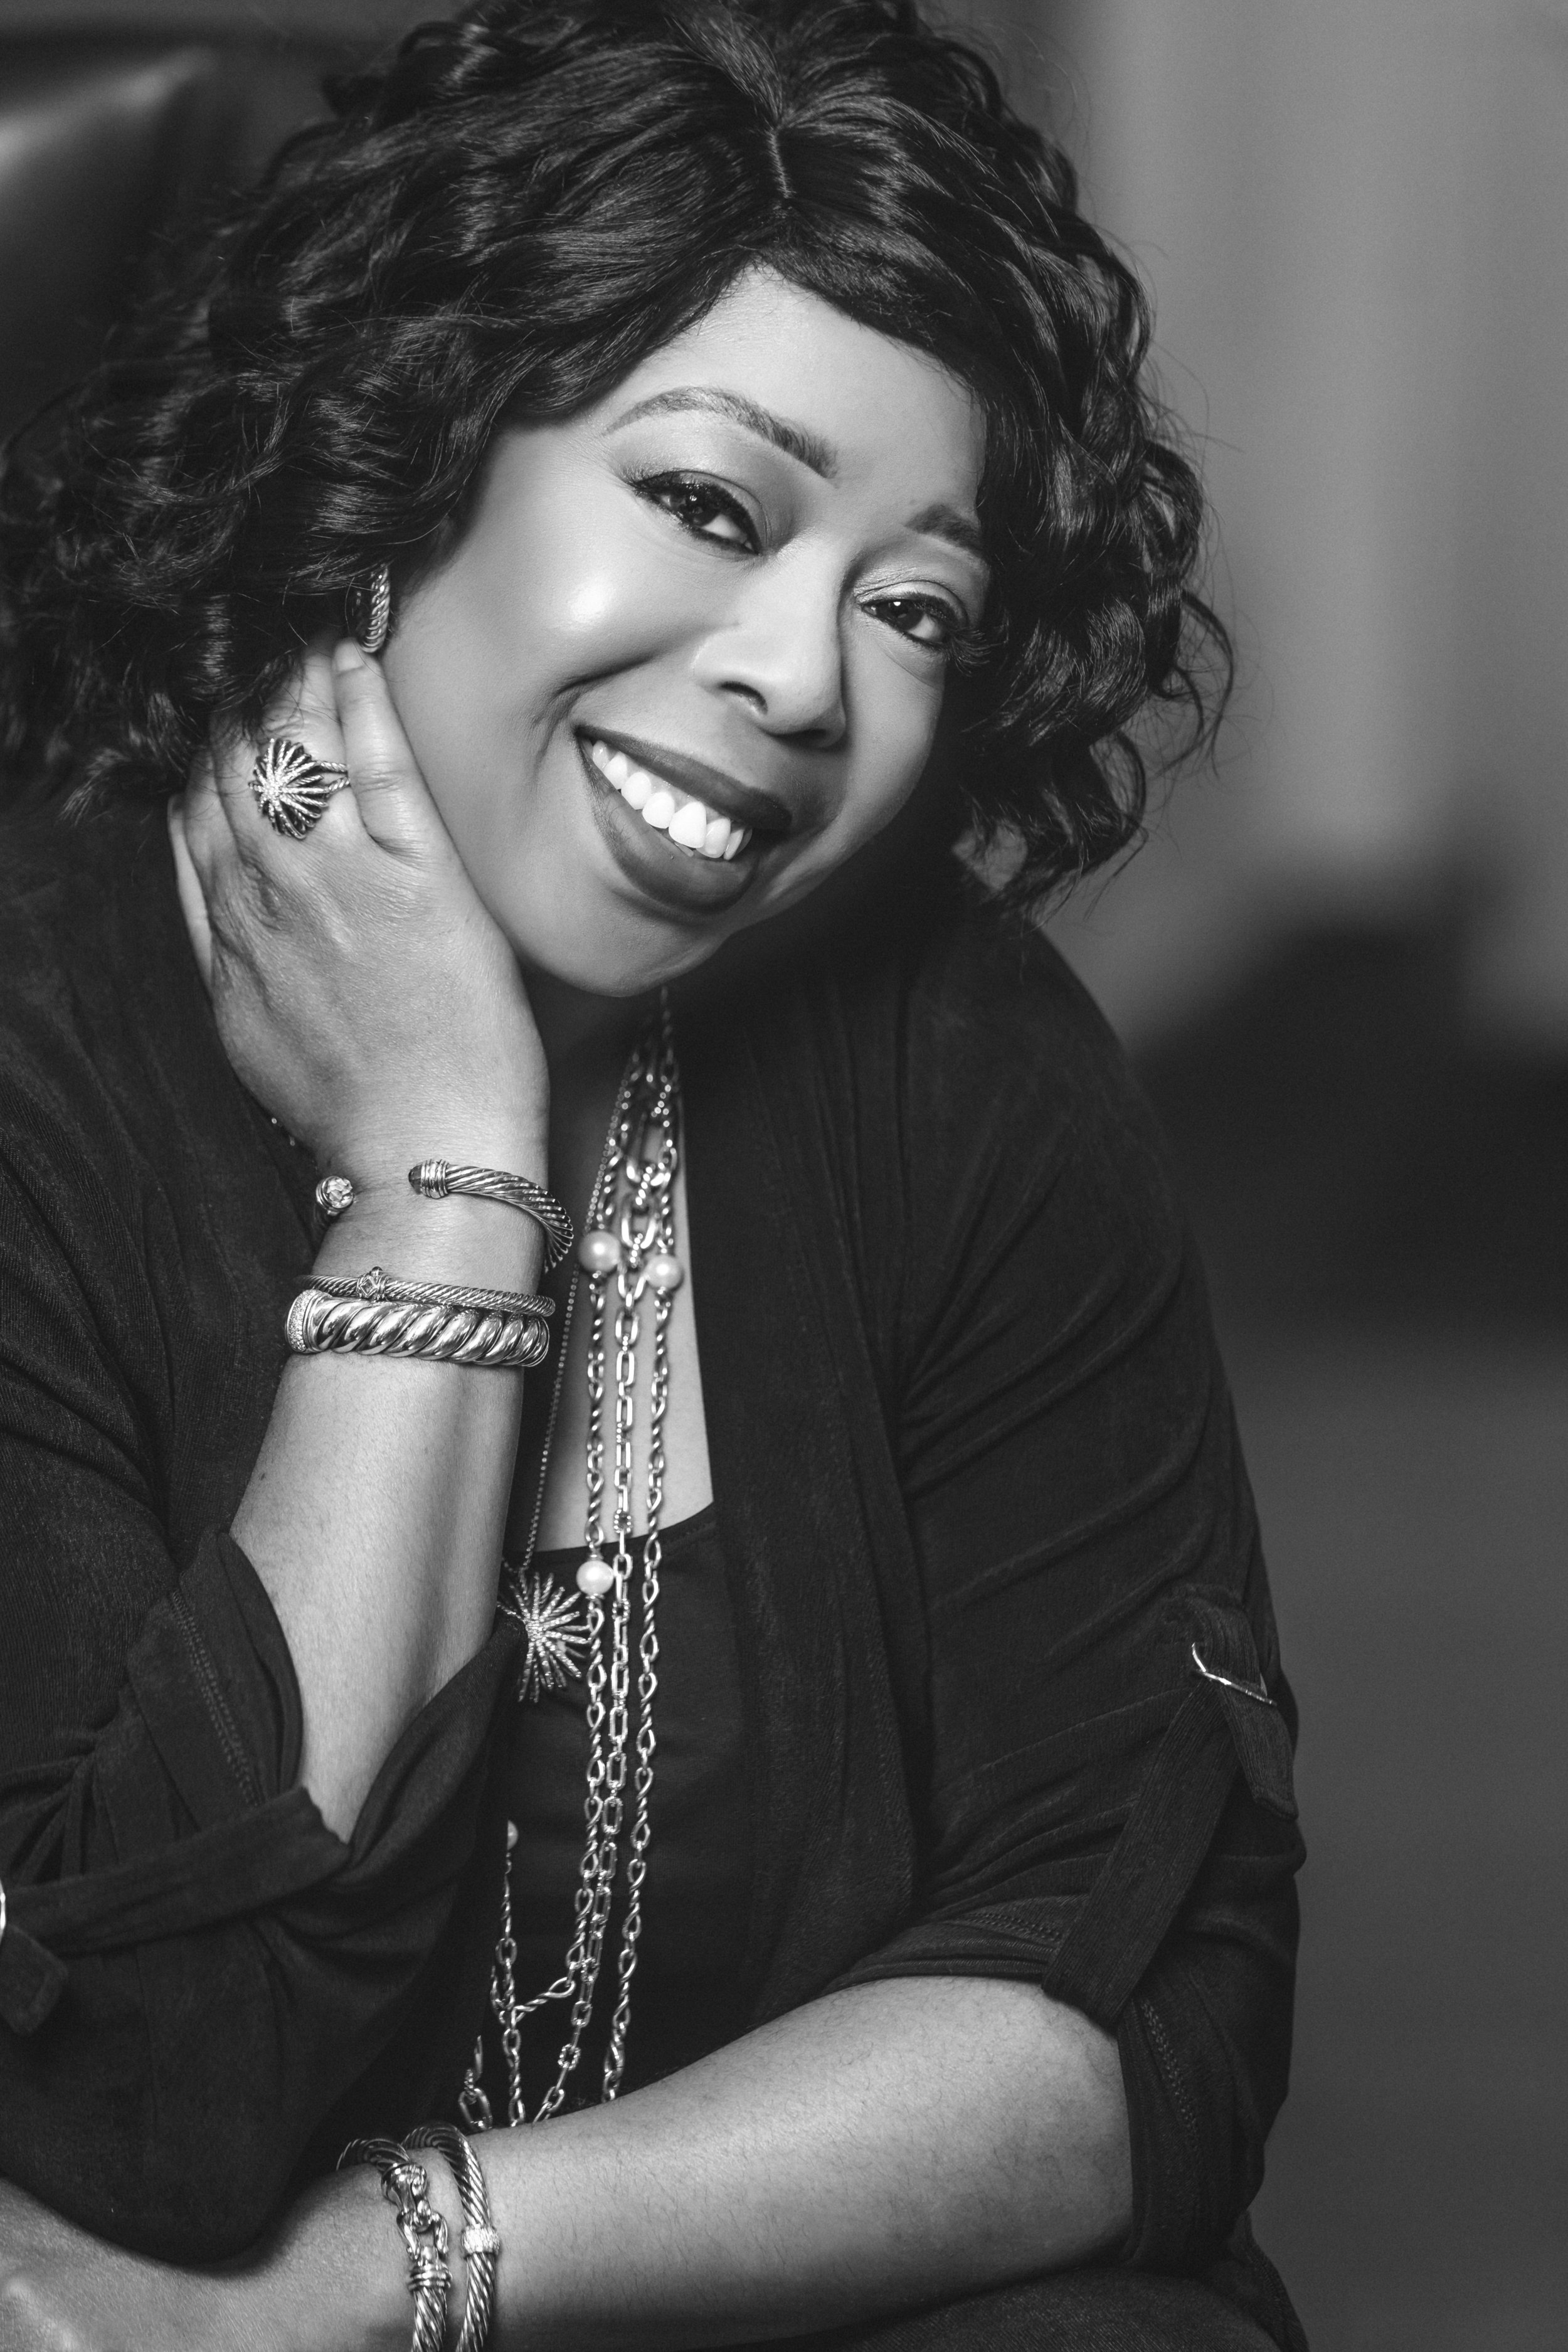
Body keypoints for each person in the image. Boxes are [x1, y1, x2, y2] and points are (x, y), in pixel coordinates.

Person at [0, 3, 1306, 2345]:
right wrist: (441, 1174)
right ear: (408, 444)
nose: (806, 682)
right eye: (710, 503)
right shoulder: (32, 1051)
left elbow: (1148, 2020)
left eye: (916, 607)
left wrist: (390, 2277)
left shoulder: (952, 1056)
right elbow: (129, 2106)